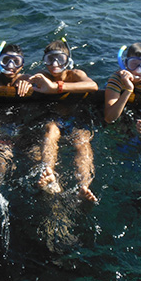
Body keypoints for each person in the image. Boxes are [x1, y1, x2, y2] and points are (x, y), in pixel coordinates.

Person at [29, 38, 99, 202]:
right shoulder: (42, 76)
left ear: (67, 61)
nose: (54, 64)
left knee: (82, 140)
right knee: (51, 130)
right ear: (44, 61)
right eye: (50, 59)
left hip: (74, 119)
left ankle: (84, 185)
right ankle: (49, 173)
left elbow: (93, 86)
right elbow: (26, 80)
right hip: (53, 119)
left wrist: (56, 88)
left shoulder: (75, 74)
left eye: (60, 59)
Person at [104, 42, 141, 134]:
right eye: (134, 64)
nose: (138, 70)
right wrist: (128, 90)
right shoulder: (117, 79)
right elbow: (109, 118)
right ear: (126, 64)